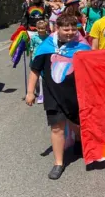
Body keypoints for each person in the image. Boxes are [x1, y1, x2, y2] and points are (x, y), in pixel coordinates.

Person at [26, 15, 91, 180]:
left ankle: (78, 141)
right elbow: (35, 69)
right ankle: (58, 163)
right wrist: (30, 92)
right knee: (57, 128)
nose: (70, 32)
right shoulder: (46, 47)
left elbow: (92, 68)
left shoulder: (82, 46)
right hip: (53, 94)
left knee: (77, 123)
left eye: (73, 29)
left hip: (75, 94)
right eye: (66, 29)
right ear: (57, 28)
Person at [29, 20, 49, 104]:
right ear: (36, 28)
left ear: (46, 28)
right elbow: (31, 48)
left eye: (43, 28)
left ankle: (42, 93)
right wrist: (31, 58)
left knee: (42, 77)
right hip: (36, 57)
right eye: (39, 28)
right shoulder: (34, 37)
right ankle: (37, 91)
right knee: (36, 77)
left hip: (45, 57)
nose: (41, 30)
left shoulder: (48, 37)